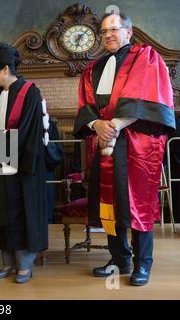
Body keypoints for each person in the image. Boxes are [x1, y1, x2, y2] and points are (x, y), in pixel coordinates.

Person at [73, 12, 175, 286]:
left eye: (114, 29)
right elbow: (86, 107)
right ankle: (119, 259)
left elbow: (145, 98)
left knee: (138, 204)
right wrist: (97, 125)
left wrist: (114, 125)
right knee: (110, 203)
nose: (108, 34)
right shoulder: (92, 68)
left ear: (128, 32)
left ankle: (143, 264)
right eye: (104, 30)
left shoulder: (147, 57)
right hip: (104, 142)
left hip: (136, 142)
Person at [0, 43, 48, 284]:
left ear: (5, 68)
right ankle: (7, 262)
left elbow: (29, 132)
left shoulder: (29, 92)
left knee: (21, 213)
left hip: (21, 167)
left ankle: (24, 265)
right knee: (1, 212)